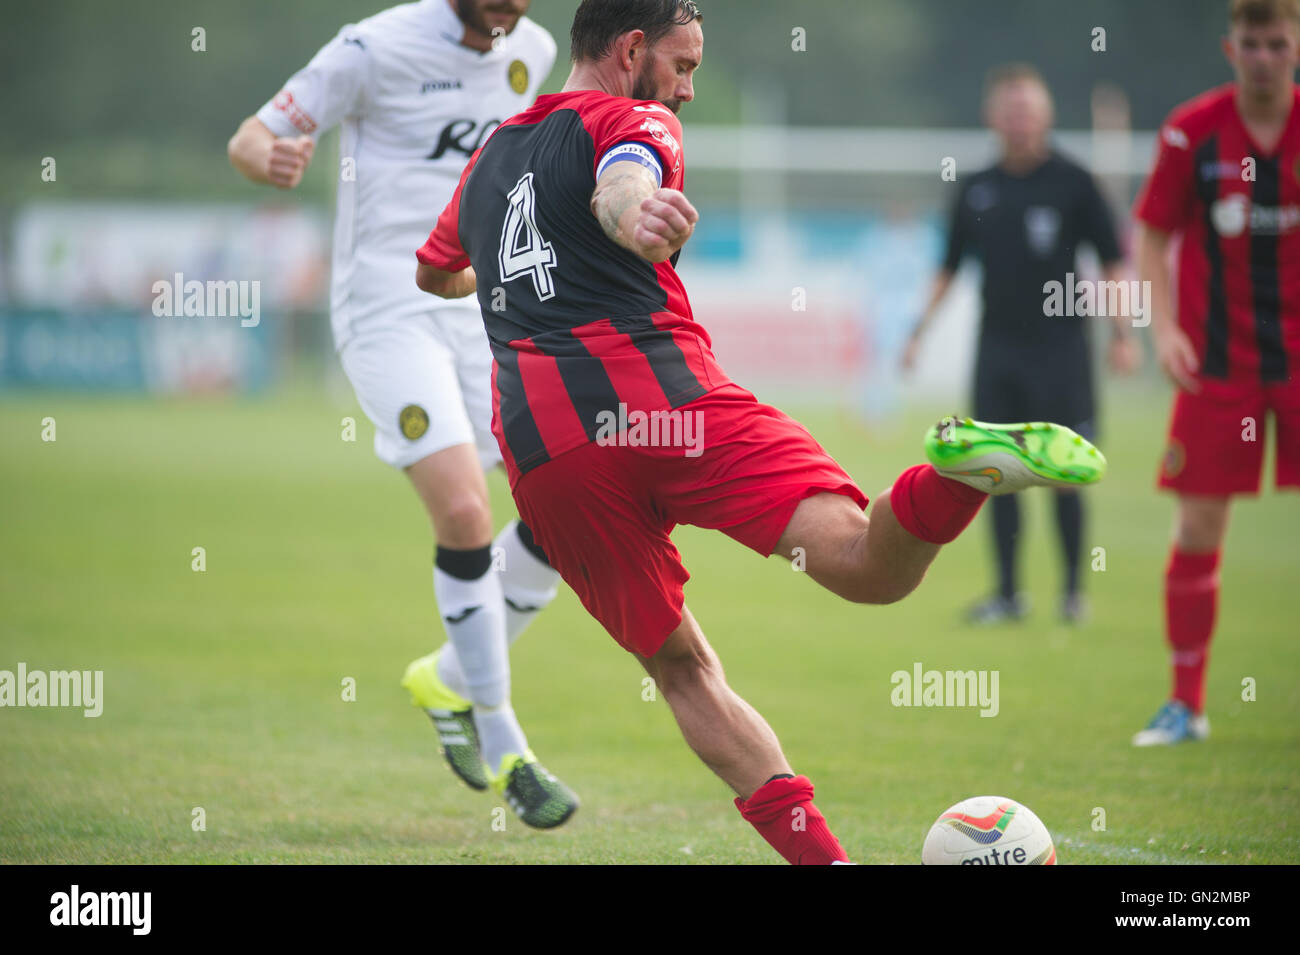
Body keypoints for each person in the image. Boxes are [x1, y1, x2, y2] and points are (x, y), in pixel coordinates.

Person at [414, 0, 1105, 864]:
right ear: (631, 51)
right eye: (683, 64)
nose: (688, 89)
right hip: (664, 403)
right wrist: (632, 217)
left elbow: (435, 271)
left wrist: (516, 271)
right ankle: (959, 477)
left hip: (548, 452)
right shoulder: (636, 115)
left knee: (682, 671)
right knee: (862, 564)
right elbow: (624, 181)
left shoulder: (486, 160)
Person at [227, 0, 578, 827]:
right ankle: (506, 744)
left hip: (480, 307)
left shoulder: (532, 48)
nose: (507, 5)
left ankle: (450, 679)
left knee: (569, 503)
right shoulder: (372, 48)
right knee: (464, 507)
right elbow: (251, 134)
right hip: (387, 309)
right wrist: (264, 158)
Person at [902, 64, 1141, 626]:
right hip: (999, 351)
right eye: (1010, 109)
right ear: (993, 117)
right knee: (997, 472)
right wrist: (917, 333)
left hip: (1062, 353)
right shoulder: (977, 187)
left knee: (1064, 472)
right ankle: (1008, 595)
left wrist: (1124, 336)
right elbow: (948, 267)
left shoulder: (1075, 183)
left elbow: (1113, 262)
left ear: (1046, 114)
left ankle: (1072, 594)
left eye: (1029, 109)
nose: (1020, 119)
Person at [1131, 0, 1300, 746]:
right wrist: (1163, 327)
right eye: (1252, 44)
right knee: (1199, 527)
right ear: (1231, 48)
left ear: (1294, 46)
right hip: (1217, 360)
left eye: (1278, 42)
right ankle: (1185, 703)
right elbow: (1152, 230)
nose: (1264, 56)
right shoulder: (1191, 130)